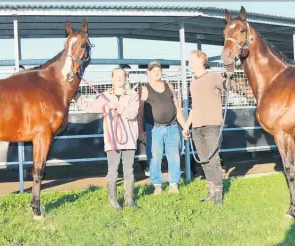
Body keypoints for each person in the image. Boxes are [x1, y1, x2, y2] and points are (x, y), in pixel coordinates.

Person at [74, 67, 140, 210]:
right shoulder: (104, 96)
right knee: (113, 170)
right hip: (112, 141)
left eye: (122, 76)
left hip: (129, 139)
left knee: (129, 169)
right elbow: (88, 106)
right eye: (117, 77)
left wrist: (117, 107)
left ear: (126, 78)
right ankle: (113, 200)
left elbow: (133, 113)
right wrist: (76, 94)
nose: (119, 79)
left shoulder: (133, 95)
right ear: (112, 79)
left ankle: (129, 200)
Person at [183, 50, 229, 206]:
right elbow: (194, 107)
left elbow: (226, 85)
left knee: (214, 160)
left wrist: (230, 75)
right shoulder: (193, 82)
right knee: (204, 160)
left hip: (212, 127)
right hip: (197, 127)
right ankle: (210, 190)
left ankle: (218, 193)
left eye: (191, 60)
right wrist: (187, 126)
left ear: (201, 61)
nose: (189, 63)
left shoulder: (213, 76)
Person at [138, 60, 187, 195]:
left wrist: (184, 126)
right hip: (154, 129)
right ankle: (157, 185)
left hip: (172, 127)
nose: (156, 72)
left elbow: (177, 107)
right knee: (154, 157)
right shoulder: (144, 89)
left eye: (158, 69)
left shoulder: (169, 86)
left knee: (174, 156)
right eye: (153, 70)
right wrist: (140, 131)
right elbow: (140, 112)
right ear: (148, 72)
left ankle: (173, 184)